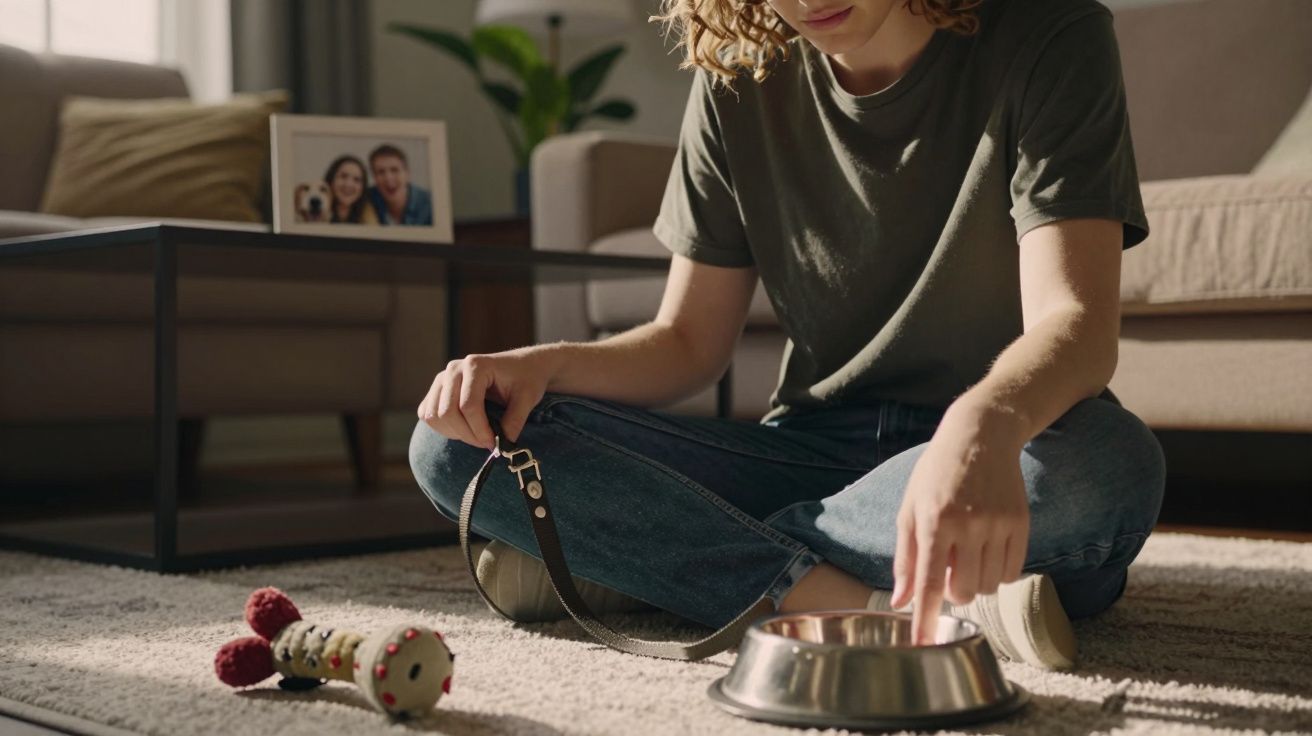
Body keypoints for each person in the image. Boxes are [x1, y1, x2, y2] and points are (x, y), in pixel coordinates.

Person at [409, 0, 1166, 671]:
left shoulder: (1051, 31)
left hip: (1006, 448)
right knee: (458, 445)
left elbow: (1077, 323)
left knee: (1108, 468)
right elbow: (686, 343)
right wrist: (540, 364)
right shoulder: (738, 74)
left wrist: (981, 426)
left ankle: (655, 561)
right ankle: (856, 607)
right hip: (809, 458)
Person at [366, 144, 433, 226]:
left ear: (407, 174)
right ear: (374, 178)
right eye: (381, 172)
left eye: (394, 170)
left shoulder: (430, 204)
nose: (388, 178)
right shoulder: (367, 198)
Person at [324, 155, 379, 225]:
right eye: (343, 176)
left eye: (357, 180)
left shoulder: (369, 216)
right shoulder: (314, 214)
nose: (349, 184)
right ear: (331, 180)